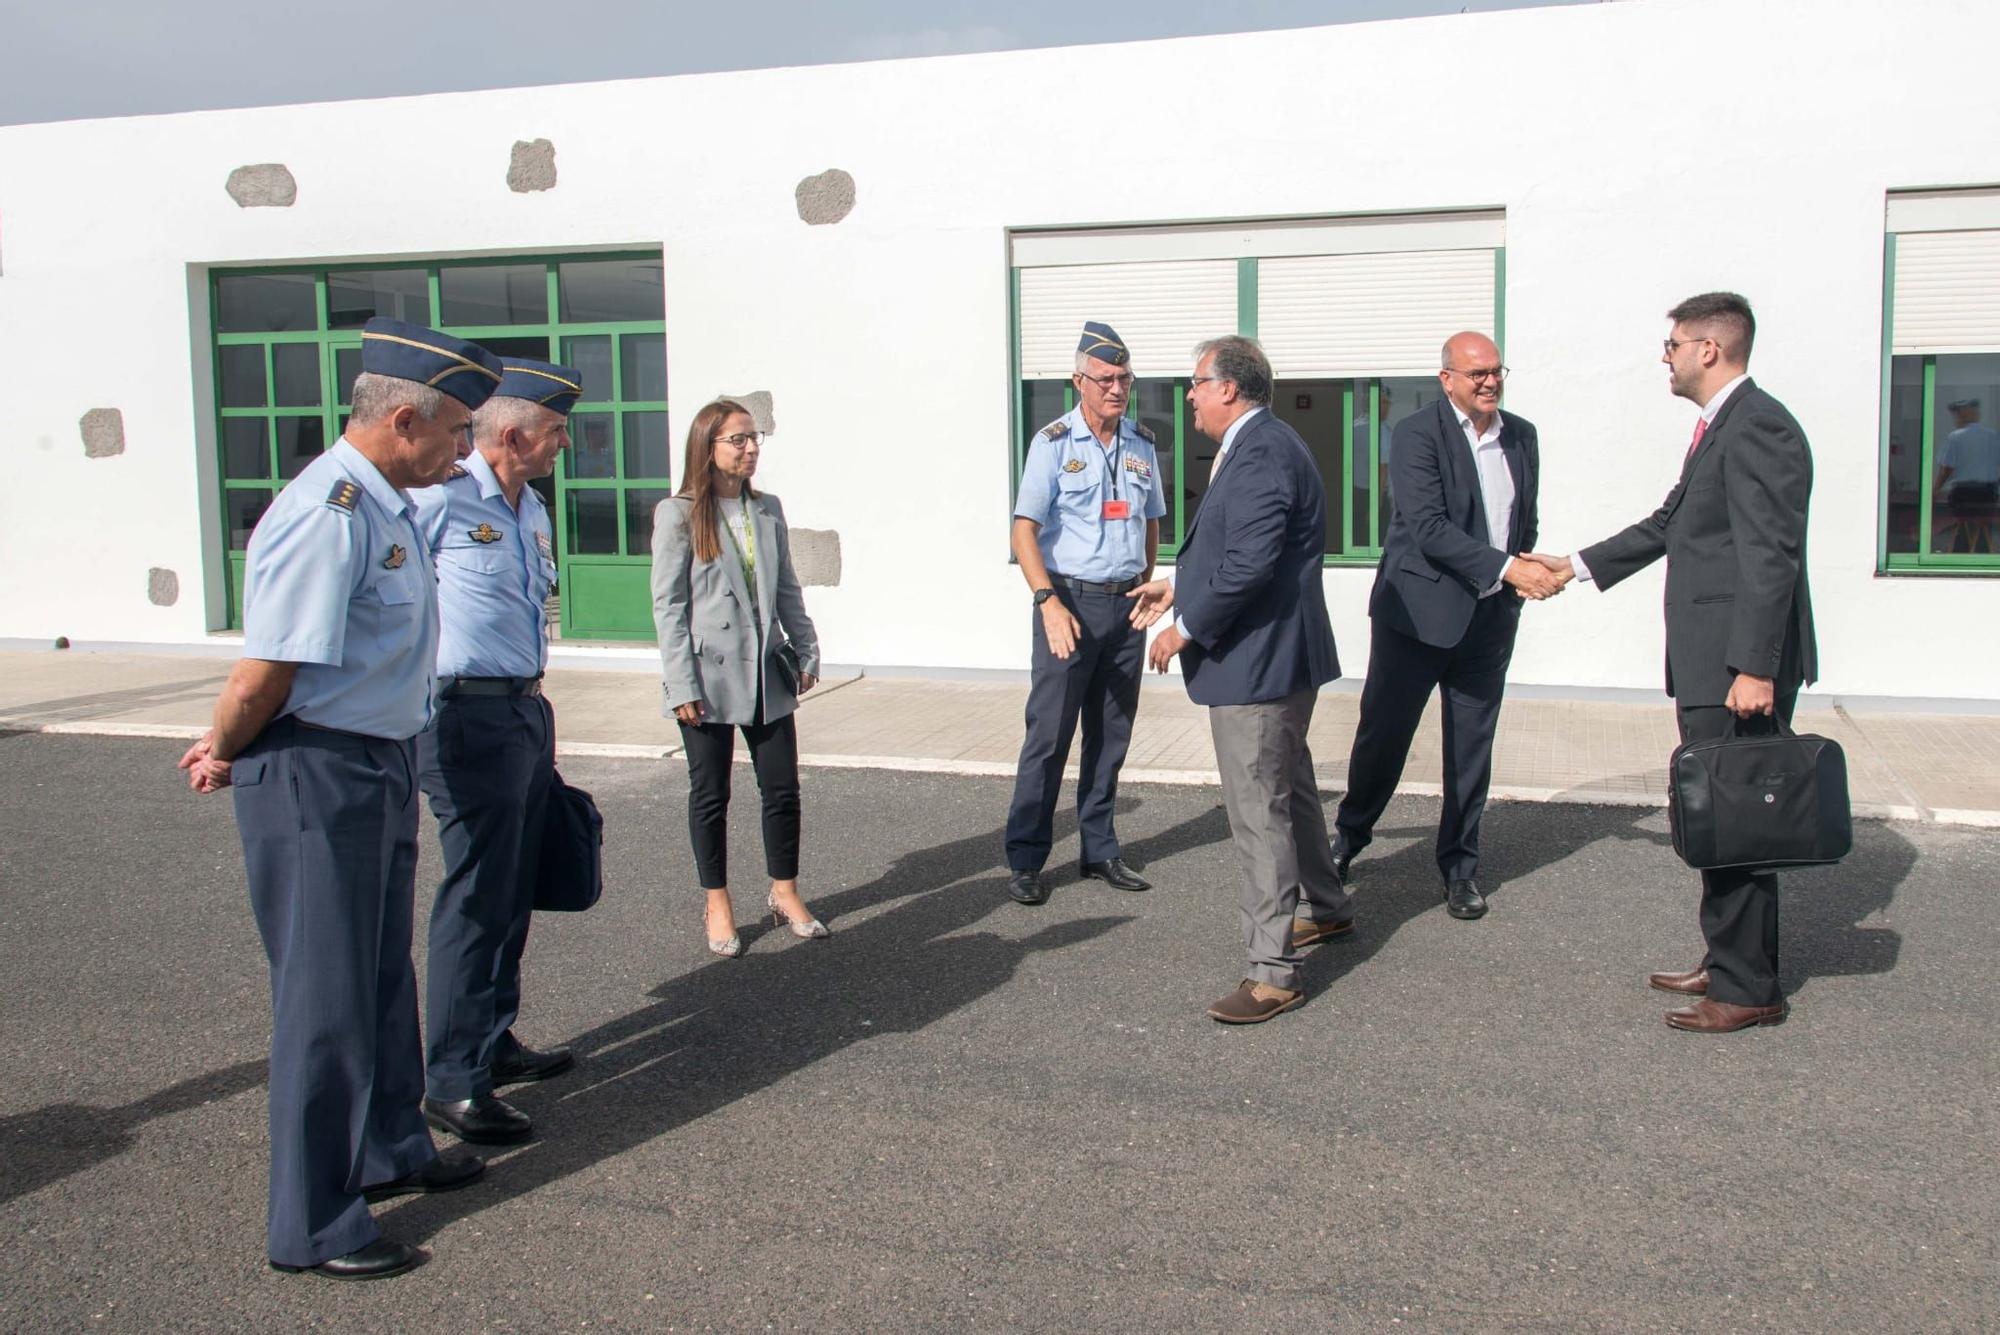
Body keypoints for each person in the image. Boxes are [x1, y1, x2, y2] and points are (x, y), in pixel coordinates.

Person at [176, 318, 503, 1280]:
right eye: (453, 433)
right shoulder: (325, 512)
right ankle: (315, 1222)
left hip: (375, 761)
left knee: (376, 976)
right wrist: (222, 746)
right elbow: (266, 670)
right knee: (323, 1000)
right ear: (403, 420)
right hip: (316, 768)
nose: (462, 451)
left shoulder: (384, 502)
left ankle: (390, 1146)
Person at [1532, 292, 1817, 1034]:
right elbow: (1670, 522)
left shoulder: (1759, 427)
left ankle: (1748, 986)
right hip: (1712, 661)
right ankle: (1729, 960)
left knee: (1737, 819)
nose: (1666, 357)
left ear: (1709, 350)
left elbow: (1770, 555)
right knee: (1721, 816)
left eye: (1673, 346)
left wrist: (1754, 666)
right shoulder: (1721, 427)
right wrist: (1576, 565)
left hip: (1734, 668)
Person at [1126, 336, 1348, 1024]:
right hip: (1281, 656)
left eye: (1196, 382)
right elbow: (1239, 548)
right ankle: (1329, 908)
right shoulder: (1266, 443)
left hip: (1258, 662)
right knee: (1294, 789)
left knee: (1259, 812)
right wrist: (1177, 584)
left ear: (1229, 387)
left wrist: (1185, 626)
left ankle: (1272, 972)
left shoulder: (1261, 451)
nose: (1188, 395)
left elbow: (1250, 563)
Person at [410, 358, 582, 1149]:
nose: (564, 443)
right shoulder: (437, 501)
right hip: (462, 718)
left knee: (513, 887)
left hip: (521, 709)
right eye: (555, 431)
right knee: (477, 894)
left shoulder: (532, 507)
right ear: (512, 434)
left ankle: (492, 1038)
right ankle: (451, 1080)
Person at [1332, 332, 1560, 922]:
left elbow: (1521, 522)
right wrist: (1512, 570)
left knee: (1470, 750)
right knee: (1384, 738)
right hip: (1416, 615)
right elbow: (1429, 528)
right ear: (1447, 379)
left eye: (1496, 371)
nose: (1489, 381)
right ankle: (1348, 839)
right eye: (1476, 372)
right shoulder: (1416, 434)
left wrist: (1516, 575)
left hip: (1489, 619)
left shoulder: (1523, 435)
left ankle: (1460, 868)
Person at [1003, 320, 1168, 905]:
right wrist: (1047, 601)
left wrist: (1146, 583)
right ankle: (1025, 857)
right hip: (1067, 606)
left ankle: (1099, 848)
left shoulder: (1143, 443)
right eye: (1105, 379)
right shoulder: (1051, 443)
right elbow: (1024, 532)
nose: (1117, 389)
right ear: (1079, 381)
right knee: (1049, 736)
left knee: (1111, 736)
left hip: (1124, 608)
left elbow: (1151, 519)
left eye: (1125, 379)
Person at [651, 399, 824, 957]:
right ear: (708, 447)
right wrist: (680, 685)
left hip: (765, 674)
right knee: (711, 794)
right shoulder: (677, 514)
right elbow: (669, 607)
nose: (750, 450)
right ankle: (717, 900)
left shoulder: (767, 508)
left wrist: (807, 648)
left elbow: (787, 589)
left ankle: (785, 891)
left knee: (782, 789)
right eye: (738, 440)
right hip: (707, 678)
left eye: (754, 440)